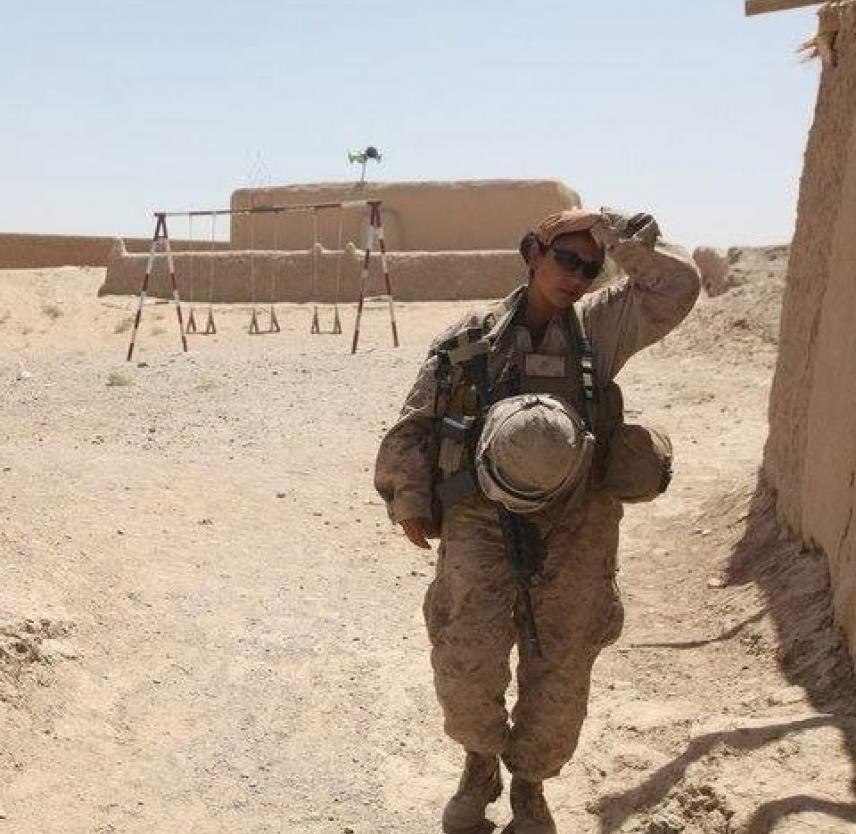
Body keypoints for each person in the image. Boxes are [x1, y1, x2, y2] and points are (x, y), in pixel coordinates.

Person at [374, 206, 700, 834]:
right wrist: (408, 495)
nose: (576, 274)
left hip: (576, 522)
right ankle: (478, 765)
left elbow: (677, 287)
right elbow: (417, 418)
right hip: (481, 517)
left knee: (562, 666)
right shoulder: (472, 336)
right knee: (466, 658)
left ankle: (529, 785)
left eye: (589, 264)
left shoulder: (601, 327)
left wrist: (618, 240)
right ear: (532, 254)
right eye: (564, 259)